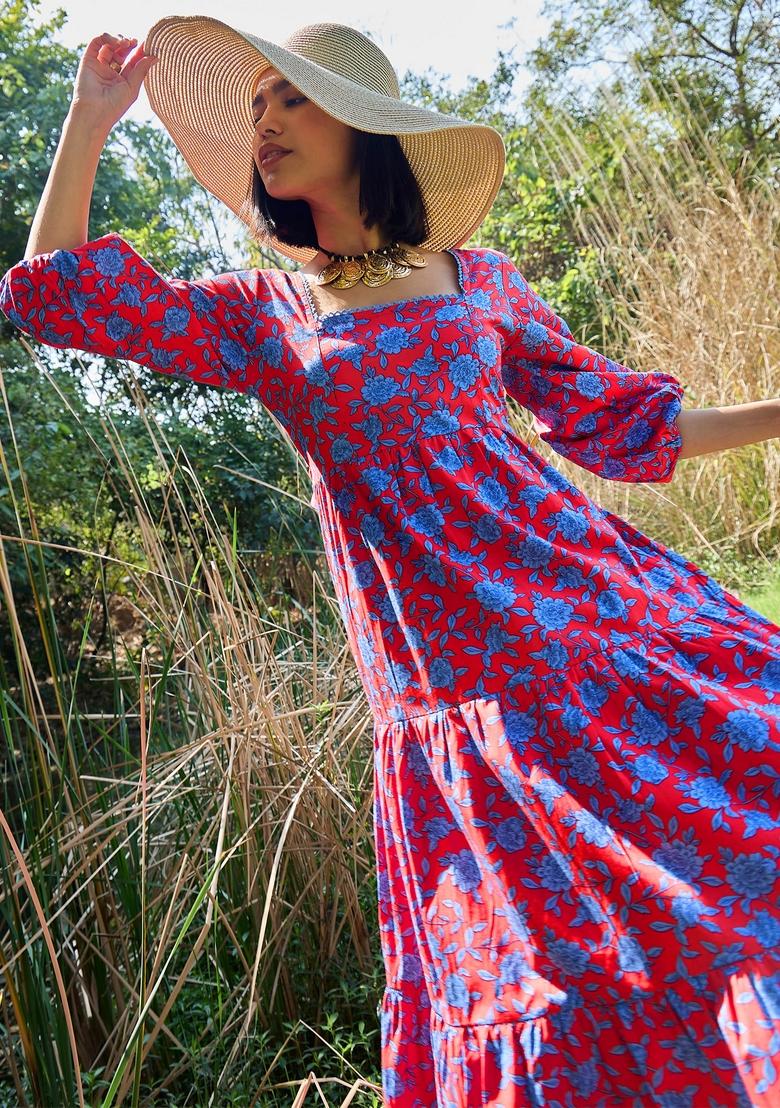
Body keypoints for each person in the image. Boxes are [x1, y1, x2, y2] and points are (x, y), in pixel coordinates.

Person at [2, 17, 779, 1106]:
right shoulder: (266, 315)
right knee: (545, 986)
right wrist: (88, 121)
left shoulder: (478, 280)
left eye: (292, 98)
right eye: (257, 104)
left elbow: (624, 425)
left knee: (729, 909)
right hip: (448, 696)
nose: (264, 122)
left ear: (364, 127)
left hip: (594, 630)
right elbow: (57, 300)